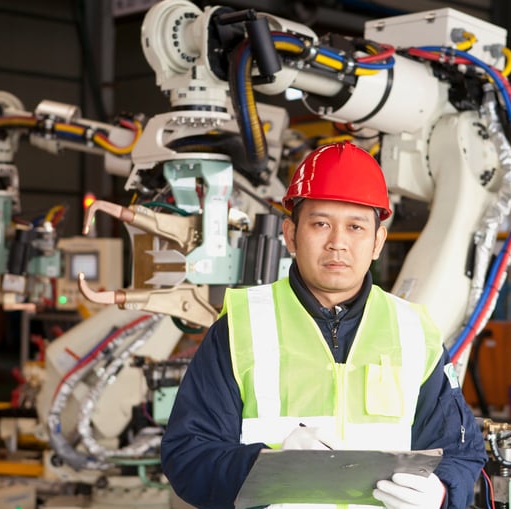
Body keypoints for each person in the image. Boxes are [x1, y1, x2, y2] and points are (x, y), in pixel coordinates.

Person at [161, 141, 487, 509]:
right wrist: (268, 464)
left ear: (378, 241)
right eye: (320, 224)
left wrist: (442, 493)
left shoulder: (416, 333)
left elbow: (462, 453)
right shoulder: (239, 327)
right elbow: (188, 454)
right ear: (290, 235)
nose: (338, 243)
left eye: (355, 227)